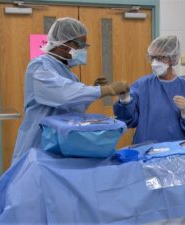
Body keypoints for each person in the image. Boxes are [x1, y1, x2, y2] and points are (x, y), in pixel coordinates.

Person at [11, 17, 129, 164]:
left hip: (62, 145)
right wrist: (104, 90)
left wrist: (92, 90)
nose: (83, 50)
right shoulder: (39, 66)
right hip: (39, 146)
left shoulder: (69, 74)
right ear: (63, 44)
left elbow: (75, 108)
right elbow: (63, 95)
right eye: (80, 45)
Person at [113, 35, 185, 144]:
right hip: (145, 150)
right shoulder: (142, 85)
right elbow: (128, 121)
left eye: (160, 58)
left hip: (174, 151)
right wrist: (125, 101)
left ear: (172, 59)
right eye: (153, 57)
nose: (154, 62)